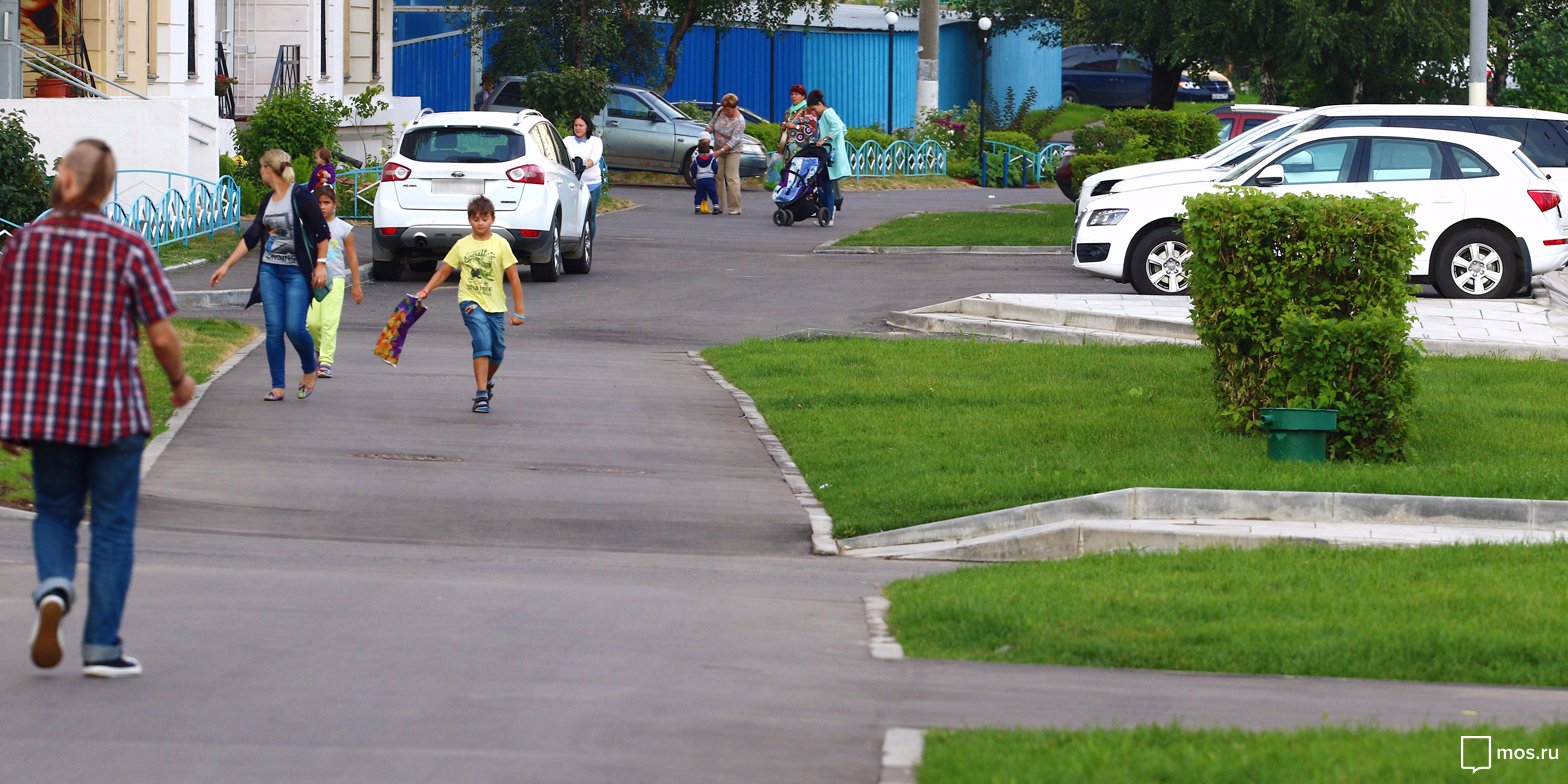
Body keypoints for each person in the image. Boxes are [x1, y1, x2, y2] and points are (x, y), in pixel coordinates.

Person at [2, 139, 195, 678]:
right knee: (112, 527)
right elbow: (160, 335)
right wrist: (178, 381)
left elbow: (5, 331)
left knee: (55, 511)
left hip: (45, 411)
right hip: (113, 410)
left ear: (65, 180)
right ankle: (102, 649)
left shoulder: (23, 245)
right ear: (107, 188)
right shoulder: (128, 247)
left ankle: (53, 587)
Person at [210, 149, 331, 401]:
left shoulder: (300, 197)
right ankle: (277, 386)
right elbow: (253, 236)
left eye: (261, 168)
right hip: (270, 271)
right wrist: (226, 266)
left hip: (297, 272)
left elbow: (322, 233)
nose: (260, 172)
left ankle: (310, 368)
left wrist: (320, 265)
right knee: (274, 328)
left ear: (268, 169)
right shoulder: (267, 201)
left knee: (295, 327)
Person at [413, 196, 526, 414]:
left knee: (498, 352)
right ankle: (481, 394)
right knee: (482, 341)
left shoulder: (501, 244)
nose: (480, 223)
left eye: (484, 218)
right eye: (475, 219)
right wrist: (426, 290)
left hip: (495, 306)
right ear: (469, 220)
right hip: (470, 301)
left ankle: (487, 379)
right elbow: (444, 270)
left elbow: (514, 278)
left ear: (492, 219)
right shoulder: (462, 245)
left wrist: (519, 311)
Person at [306, 187, 363, 379]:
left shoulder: (343, 229)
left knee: (329, 323)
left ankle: (326, 362)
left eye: (326, 203)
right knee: (311, 324)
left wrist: (356, 285)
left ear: (334, 204)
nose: (322, 207)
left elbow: (353, 259)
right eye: (319, 203)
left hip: (336, 279)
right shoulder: (309, 226)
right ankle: (318, 350)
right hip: (313, 279)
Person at [807, 89, 850, 227]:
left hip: (828, 155)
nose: (814, 112)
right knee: (824, 184)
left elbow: (838, 127)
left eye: (814, 109)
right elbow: (843, 129)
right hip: (830, 155)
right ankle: (829, 212)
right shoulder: (828, 113)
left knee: (823, 184)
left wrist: (824, 139)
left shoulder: (827, 113)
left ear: (820, 104)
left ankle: (829, 214)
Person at [561, 114, 604, 241]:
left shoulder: (596, 141)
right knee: (572, 215)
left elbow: (594, 159)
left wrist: (583, 165)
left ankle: (588, 243)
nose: (578, 128)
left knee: (590, 216)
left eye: (581, 125)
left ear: (587, 127)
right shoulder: (567, 141)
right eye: (576, 125)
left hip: (592, 184)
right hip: (572, 185)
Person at [705, 93, 747, 215]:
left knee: (731, 177)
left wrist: (720, 151)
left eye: (728, 110)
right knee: (717, 176)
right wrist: (705, 137)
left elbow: (734, 140)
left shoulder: (740, 121)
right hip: (718, 147)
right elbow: (711, 124)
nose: (726, 112)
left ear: (735, 107)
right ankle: (718, 205)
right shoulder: (720, 111)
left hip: (733, 150)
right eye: (724, 109)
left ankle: (735, 207)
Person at [779, 83, 818, 156]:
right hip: (788, 151)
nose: (793, 96)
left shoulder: (808, 110)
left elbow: (812, 130)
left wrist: (795, 126)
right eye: (792, 94)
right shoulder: (788, 112)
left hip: (803, 151)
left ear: (803, 96)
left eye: (796, 94)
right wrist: (783, 126)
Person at [689, 133, 720, 215]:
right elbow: (715, 167)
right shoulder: (712, 158)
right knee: (713, 193)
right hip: (710, 179)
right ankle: (716, 206)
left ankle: (697, 207)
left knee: (699, 194)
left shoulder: (696, 159)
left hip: (700, 180)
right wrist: (715, 173)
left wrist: (693, 176)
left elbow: (693, 169)